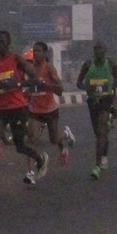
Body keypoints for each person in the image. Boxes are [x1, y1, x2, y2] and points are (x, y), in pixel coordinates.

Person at [0, 30, 47, 203]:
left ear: (8, 43)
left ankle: (40, 159)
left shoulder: (17, 59)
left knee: (19, 145)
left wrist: (16, 83)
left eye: (1, 41)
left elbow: (36, 80)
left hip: (17, 107)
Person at [24, 42, 75, 183]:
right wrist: (27, 92)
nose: (36, 54)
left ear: (45, 53)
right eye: (34, 51)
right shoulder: (31, 69)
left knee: (54, 139)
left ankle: (65, 135)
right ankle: (30, 172)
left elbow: (59, 88)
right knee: (32, 140)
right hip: (34, 109)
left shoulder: (49, 68)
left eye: (39, 51)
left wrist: (46, 86)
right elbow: (30, 86)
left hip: (50, 109)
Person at [76, 41, 117, 180]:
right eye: (95, 49)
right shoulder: (87, 65)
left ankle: (97, 166)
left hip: (107, 100)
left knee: (100, 131)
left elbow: (116, 80)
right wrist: (86, 87)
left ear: (105, 51)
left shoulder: (111, 64)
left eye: (100, 49)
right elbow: (78, 82)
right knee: (99, 133)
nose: (98, 52)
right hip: (93, 101)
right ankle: (104, 154)